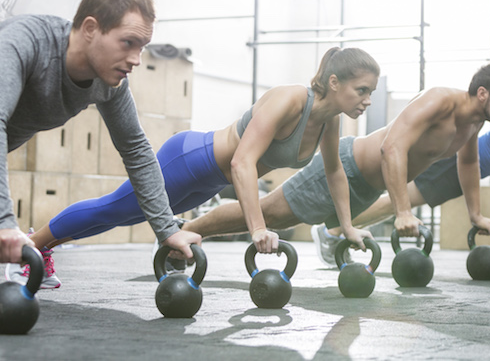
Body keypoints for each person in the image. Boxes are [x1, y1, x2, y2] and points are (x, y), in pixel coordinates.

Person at [7, 46, 380, 287]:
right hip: (190, 159)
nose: (366, 100)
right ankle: (30, 248)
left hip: (207, 181)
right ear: (334, 82)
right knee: (117, 210)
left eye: (371, 93)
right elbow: (242, 161)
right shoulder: (290, 99)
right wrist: (258, 228)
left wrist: (345, 227)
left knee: (126, 215)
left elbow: (334, 173)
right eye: (361, 90)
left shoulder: (331, 121)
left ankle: (39, 247)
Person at [179, 62, 490, 266]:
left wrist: (476, 215)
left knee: (296, 218)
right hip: (348, 166)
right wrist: (402, 210)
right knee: (268, 214)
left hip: (367, 189)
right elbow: (391, 148)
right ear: (481, 93)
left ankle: (327, 236)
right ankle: (184, 233)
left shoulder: (473, 123)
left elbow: (469, 164)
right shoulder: (439, 100)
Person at [0, 0, 201, 286]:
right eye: (128, 43)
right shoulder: (25, 42)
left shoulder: (111, 85)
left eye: (142, 48)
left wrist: (167, 230)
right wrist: (4, 222)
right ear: (91, 28)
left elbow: (136, 151)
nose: (136, 59)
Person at [312, 74, 490, 264]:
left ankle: (335, 228)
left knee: (392, 204)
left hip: (464, 170)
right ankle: (332, 231)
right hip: (451, 166)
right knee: (393, 206)